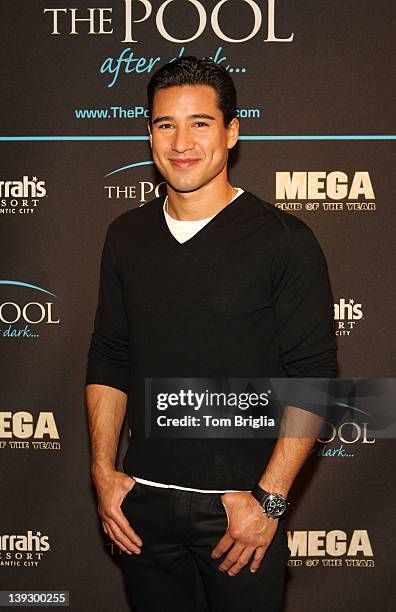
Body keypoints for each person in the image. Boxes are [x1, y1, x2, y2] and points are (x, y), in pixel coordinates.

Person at [85, 56, 337, 611]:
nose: (181, 142)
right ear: (148, 132)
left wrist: (268, 502)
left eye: (200, 122)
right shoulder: (125, 236)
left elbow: (313, 377)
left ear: (231, 131)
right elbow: (110, 355)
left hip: (240, 512)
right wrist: (103, 473)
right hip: (143, 507)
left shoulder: (284, 241)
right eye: (164, 124)